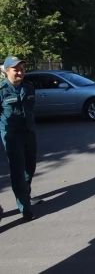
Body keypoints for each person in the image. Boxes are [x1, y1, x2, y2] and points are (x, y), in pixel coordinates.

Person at [0, 56, 37, 221]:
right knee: (17, 170)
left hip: (29, 132)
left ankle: (25, 194)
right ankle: (25, 207)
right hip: (12, 135)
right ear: (7, 71)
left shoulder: (29, 87)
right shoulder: (1, 90)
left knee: (30, 167)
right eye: (16, 69)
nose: (20, 72)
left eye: (22, 69)